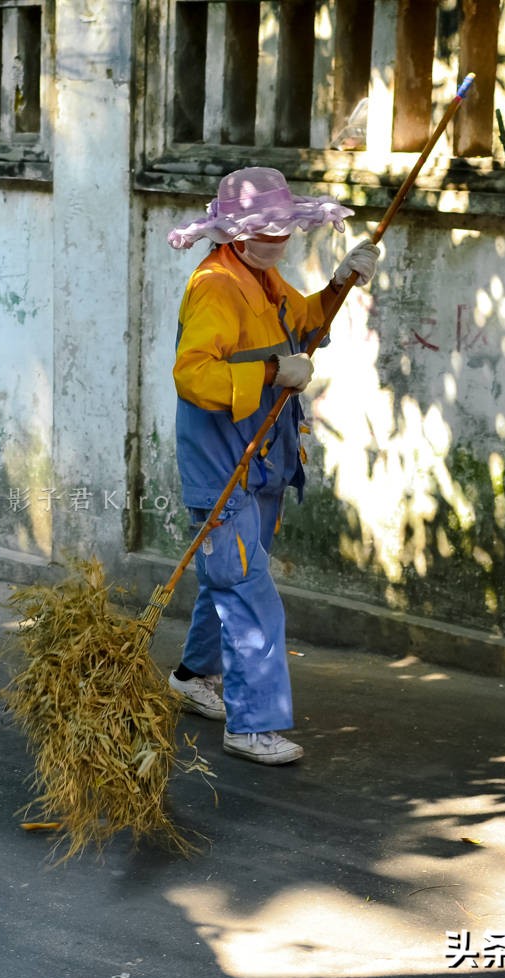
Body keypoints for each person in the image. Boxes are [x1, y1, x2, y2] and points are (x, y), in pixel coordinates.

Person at [164, 166, 382, 765]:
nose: (281, 239)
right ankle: (251, 725)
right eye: (270, 230)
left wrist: (339, 285)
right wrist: (268, 374)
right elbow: (193, 374)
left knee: (230, 578)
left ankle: (190, 676)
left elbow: (304, 326)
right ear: (236, 234)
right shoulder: (216, 285)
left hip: (261, 459)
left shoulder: (260, 278)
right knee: (249, 592)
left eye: (285, 228)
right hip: (224, 467)